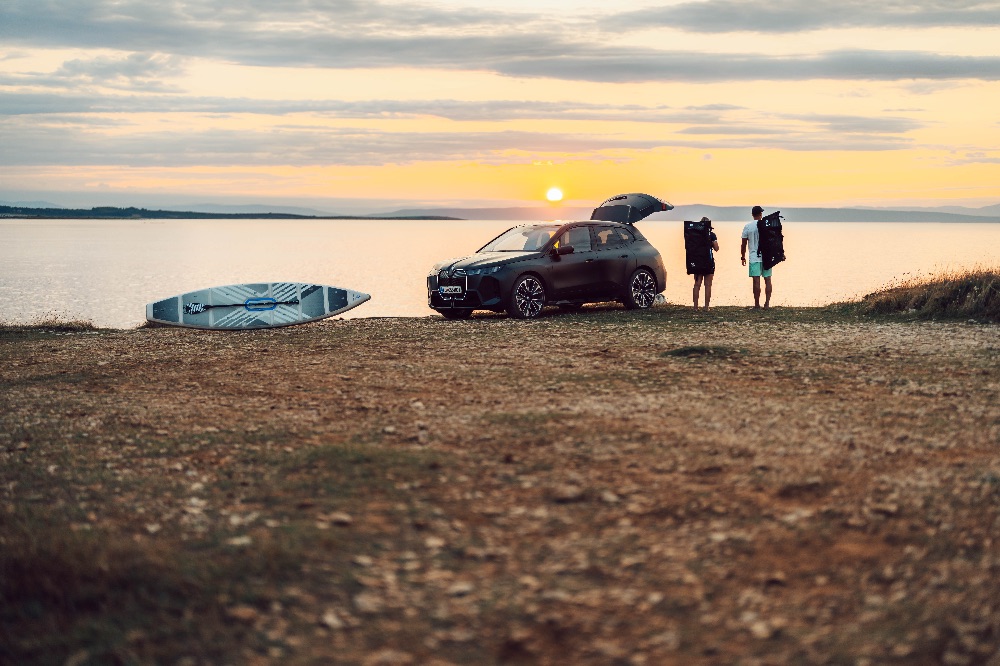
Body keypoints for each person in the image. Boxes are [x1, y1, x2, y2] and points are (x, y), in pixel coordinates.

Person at [741, 205, 772, 309]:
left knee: (756, 280)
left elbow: (743, 244)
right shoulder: (766, 225)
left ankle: (757, 304)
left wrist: (743, 256)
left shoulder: (748, 226)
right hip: (766, 257)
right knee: (768, 279)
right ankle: (767, 304)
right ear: (760, 214)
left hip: (754, 257)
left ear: (752, 214)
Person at [692, 217, 719, 310]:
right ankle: (706, 307)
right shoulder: (711, 235)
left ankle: (695, 307)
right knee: (708, 285)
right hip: (708, 262)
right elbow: (716, 248)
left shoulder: (695, 234)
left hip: (697, 262)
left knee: (697, 284)